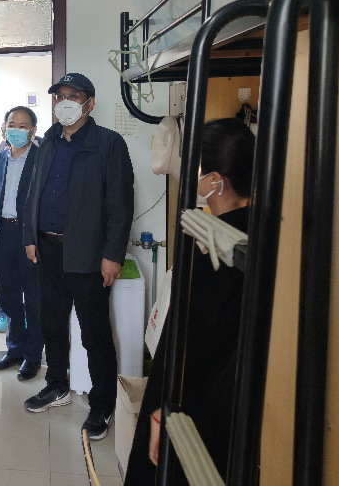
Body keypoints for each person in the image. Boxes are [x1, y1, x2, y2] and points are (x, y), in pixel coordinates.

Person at [124, 118, 255, 485]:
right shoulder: (259, 230)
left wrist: (161, 411)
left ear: (215, 180)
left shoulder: (215, 245)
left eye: (195, 167)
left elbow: (188, 345)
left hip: (198, 408)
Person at [21, 73, 134, 442]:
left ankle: (102, 405)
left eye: (73, 95)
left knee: (94, 333)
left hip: (87, 254)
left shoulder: (108, 144)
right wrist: (30, 236)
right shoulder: (48, 141)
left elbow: (120, 204)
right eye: (59, 96)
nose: (64, 102)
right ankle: (57, 385)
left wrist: (112, 255)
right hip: (48, 250)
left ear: (90, 103)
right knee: (51, 324)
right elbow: (33, 192)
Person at [0, 106, 43, 381]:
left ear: (33, 131)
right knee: (8, 298)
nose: (16, 129)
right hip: (2, 235)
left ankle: (33, 356)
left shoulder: (42, 158)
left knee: (34, 300)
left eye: (23, 125)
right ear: (4, 127)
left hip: (30, 238)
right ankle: (14, 350)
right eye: (12, 124)